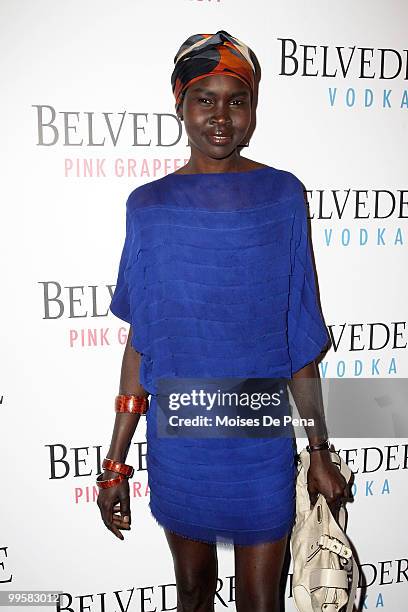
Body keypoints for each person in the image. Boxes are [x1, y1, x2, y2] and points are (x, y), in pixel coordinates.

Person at [97, 31, 348, 612]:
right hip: (181, 442)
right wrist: (115, 461)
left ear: (254, 107)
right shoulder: (149, 206)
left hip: (258, 440)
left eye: (236, 100)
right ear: (179, 104)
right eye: (203, 98)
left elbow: (298, 336)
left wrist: (319, 451)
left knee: (263, 602)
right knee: (192, 596)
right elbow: (142, 340)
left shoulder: (283, 194)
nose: (220, 116)